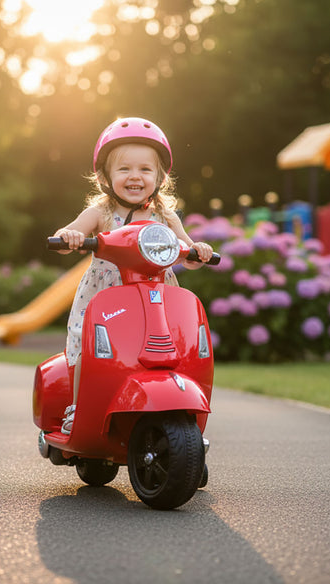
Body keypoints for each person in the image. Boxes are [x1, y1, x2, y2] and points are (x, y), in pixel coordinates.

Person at [53, 117, 214, 434]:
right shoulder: (99, 213)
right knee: (89, 347)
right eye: (124, 169)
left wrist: (199, 251)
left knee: (168, 349)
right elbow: (66, 236)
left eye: (145, 169)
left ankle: (170, 407)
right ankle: (78, 406)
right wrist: (69, 237)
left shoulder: (164, 215)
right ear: (104, 176)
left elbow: (187, 251)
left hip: (155, 297)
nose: (135, 176)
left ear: (160, 176)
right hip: (107, 299)